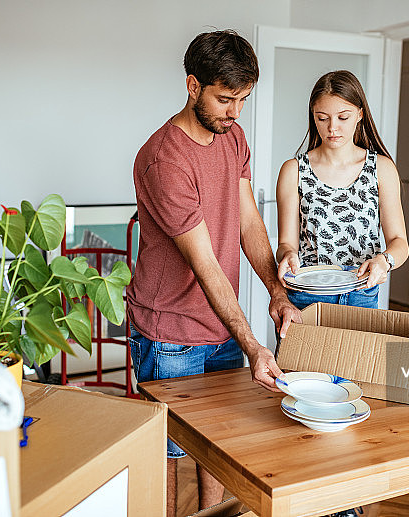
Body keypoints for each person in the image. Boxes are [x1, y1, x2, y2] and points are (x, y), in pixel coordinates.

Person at [127, 29, 302, 517]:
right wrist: (253, 344)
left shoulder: (233, 136)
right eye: (226, 99)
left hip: (222, 325)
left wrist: (275, 290)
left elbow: (247, 217)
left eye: (243, 100)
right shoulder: (165, 159)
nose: (236, 112)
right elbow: (204, 264)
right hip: (170, 333)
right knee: (168, 455)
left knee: (219, 449)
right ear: (192, 85)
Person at [276, 70, 409, 311]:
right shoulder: (293, 171)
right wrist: (287, 255)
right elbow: (286, 243)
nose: (332, 128)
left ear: (359, 114)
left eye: (343, 117)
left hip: (361, 295)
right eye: (322, 118)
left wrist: (384, 261)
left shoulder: (381, 169)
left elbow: (400, 243)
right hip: (307, 296)